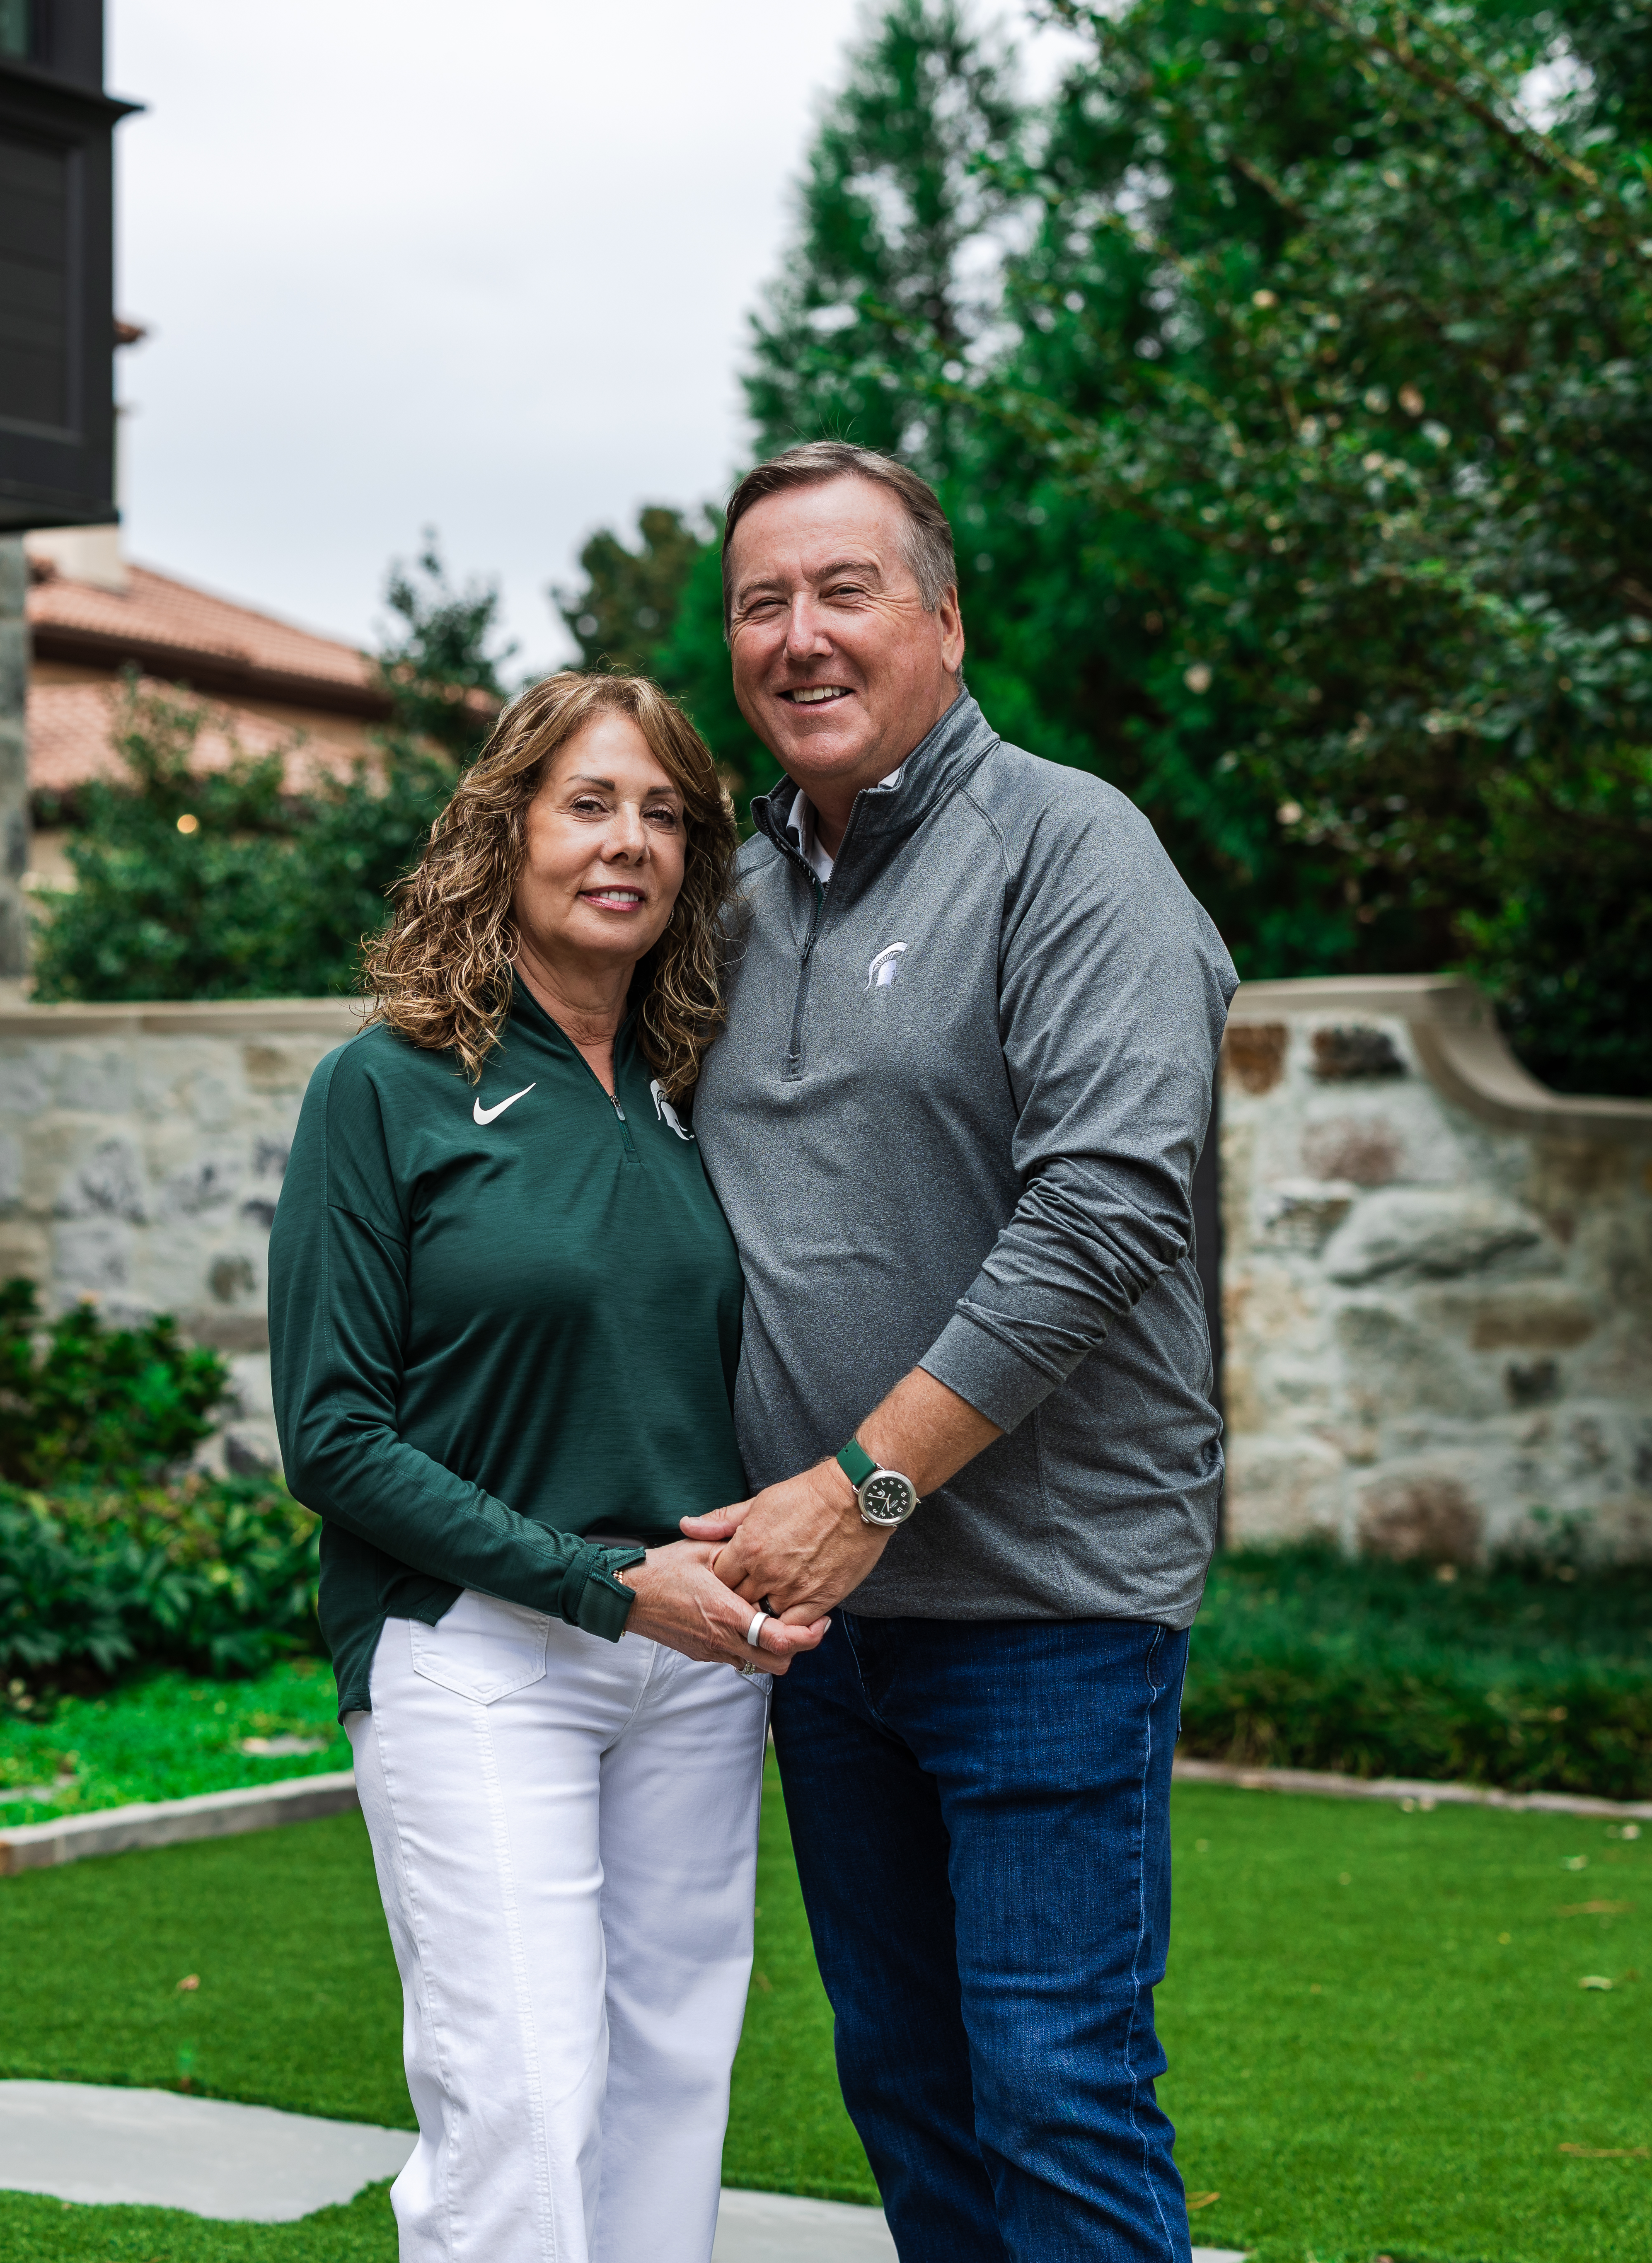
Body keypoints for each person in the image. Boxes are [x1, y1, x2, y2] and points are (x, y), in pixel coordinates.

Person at [682, 440, 1238, 2263]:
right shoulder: (732, 898)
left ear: (944, 619)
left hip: (1041, 1606)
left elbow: (1104, 1215)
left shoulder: (1073, 851)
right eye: (761, 603)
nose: (799, 636)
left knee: (1055, 2088)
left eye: (843, 590)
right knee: (908, 2092)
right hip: (818, 1629)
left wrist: (859, 1489)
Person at [269, 670, 817, 2263]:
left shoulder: (696, 1090)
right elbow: (333, 1436)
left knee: (670, 2084)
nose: (628, 842)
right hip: (480, 1652)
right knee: (518, 2093)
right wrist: (599, 1584)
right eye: (588, 804)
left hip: (698, 1663)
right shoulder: (384, 1088)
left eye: (664, 814)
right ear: (503, 833)